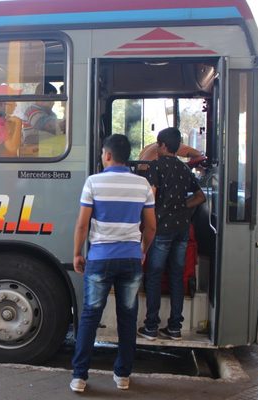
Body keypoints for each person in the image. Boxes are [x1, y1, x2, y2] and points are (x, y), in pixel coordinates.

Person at [70, 134, 156, 393]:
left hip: (99, 258)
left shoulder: (93, 182)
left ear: (107, 155)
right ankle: (123, 376)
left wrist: (77, 253)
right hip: (130, 259)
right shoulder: (143, 184)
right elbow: (151, 226)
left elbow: (83, 224)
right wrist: (142, 250)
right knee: (127, 317)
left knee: (89, 317)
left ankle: (79, 377)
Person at [137, 127, 206, 342]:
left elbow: (152, 197)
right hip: (182, 230)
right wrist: (182, 206)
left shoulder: (156, 167)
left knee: (154, 276)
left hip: (162, 229)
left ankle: (151, 327)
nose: (157, 148)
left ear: (163, 146)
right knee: (177, 277)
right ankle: (175, 327)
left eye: (158, 144)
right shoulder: (184, 169)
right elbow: (200, 196)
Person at [22, 82, 65, 156]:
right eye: (51, 99)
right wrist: (66, 124)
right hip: (33, 149)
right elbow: (47, 125)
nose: (53, 103)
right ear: (41, 97)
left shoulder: (48, 112)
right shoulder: (32, 111)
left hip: (45, 146)